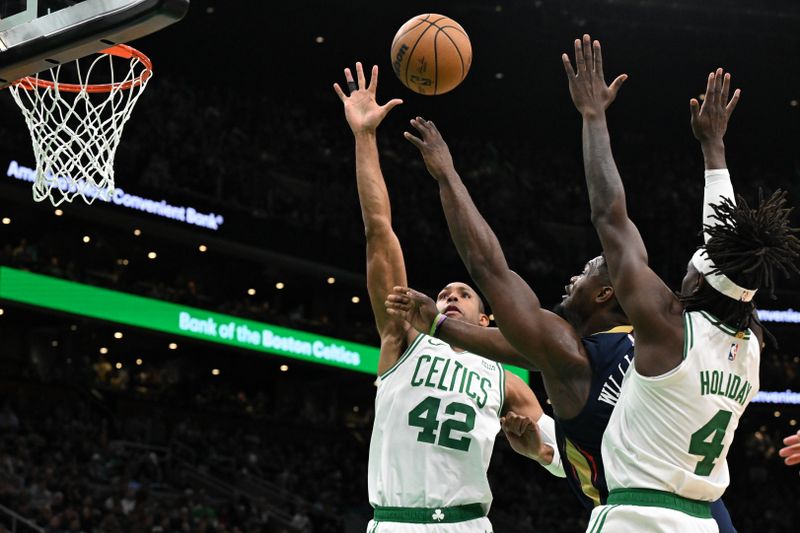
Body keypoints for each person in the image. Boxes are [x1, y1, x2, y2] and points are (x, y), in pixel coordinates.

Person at [385, 68, 741, 531]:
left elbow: (490, 268)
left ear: (607, 292)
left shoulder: (570, 356)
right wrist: (714, 150)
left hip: (638, 517)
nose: (575, 275)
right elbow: (729, 268)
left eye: (588, 269)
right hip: (711, 516)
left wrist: (448, 176)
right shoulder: (682, 340)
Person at [562, 34, 799, 532]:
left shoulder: (669, 328)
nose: (685, 271)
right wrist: (714, 150)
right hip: (703, 521)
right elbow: (732, 255)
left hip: (637, 517)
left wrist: (593, 117)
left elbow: (610, 217)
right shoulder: (750, 340)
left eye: (693, 267)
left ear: (702, 282)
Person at [332, 62, 562, 533]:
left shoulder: (505, 379)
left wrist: (537, 445)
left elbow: (559, 454)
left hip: (468, 524)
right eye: (442, 294)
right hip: (397, 521)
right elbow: (379, 231)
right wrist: (364, 138)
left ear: (486, 321)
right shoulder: (404, 338)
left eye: (464, 294)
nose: (450, 296)